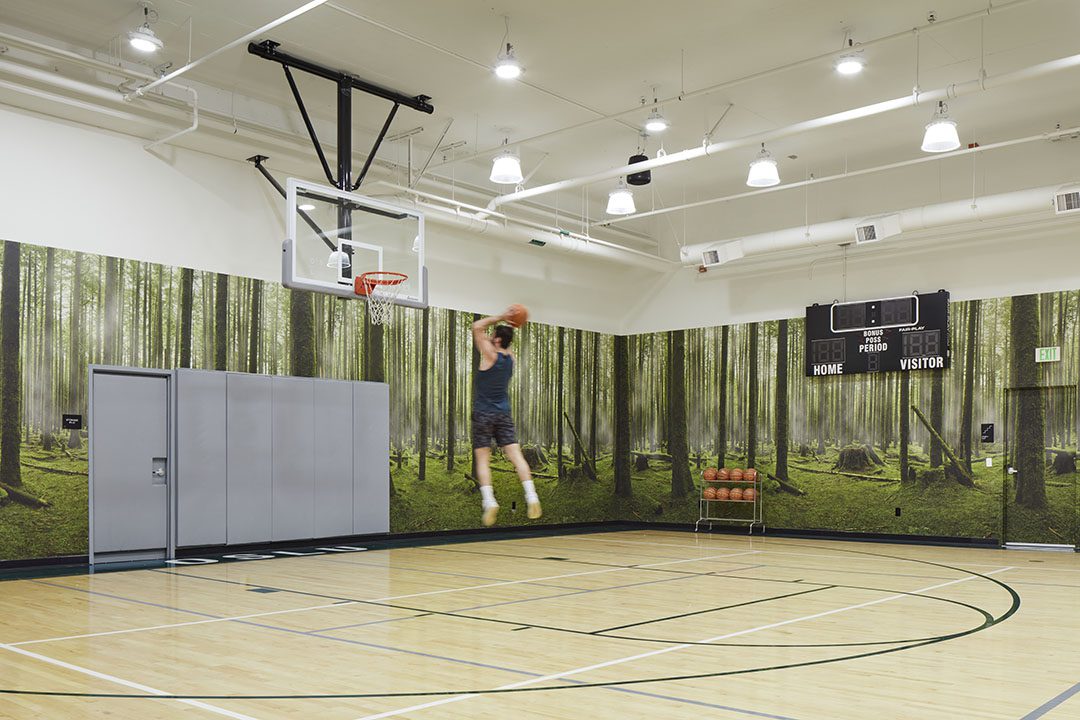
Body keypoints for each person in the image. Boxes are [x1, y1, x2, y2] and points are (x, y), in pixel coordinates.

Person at [471, 309, 541, 526]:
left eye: (493, 336)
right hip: (503, 413)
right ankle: (532, 496)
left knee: (483, 459)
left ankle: (489, 501)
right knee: (517, 456)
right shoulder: (511, 357)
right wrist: (511, 326)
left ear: (498, 339)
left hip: (483, 413)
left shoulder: (489, 354)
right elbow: (500, 341)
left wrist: (501, 317)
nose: (489, 338)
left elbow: (476, 327)